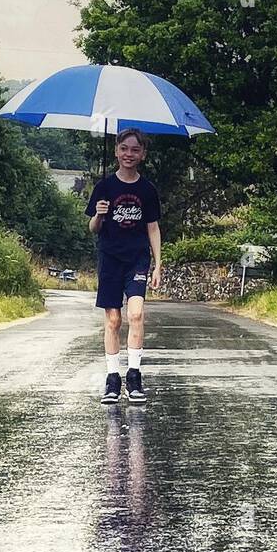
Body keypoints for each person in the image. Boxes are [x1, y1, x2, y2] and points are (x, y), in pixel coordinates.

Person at [85, 129, 162, 404]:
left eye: (135, 150)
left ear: (142, 154)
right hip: (110, 259)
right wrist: (99, 214)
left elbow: (153, 228)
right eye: (124, 149)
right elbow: (93, 228)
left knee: (137, 314)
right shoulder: (103, 188)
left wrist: (158, 264)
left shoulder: (147, 190)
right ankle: (112, 379)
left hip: (137, 259)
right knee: (114, 320)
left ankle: (134, 377)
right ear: (116, 151)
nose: (129, 154)